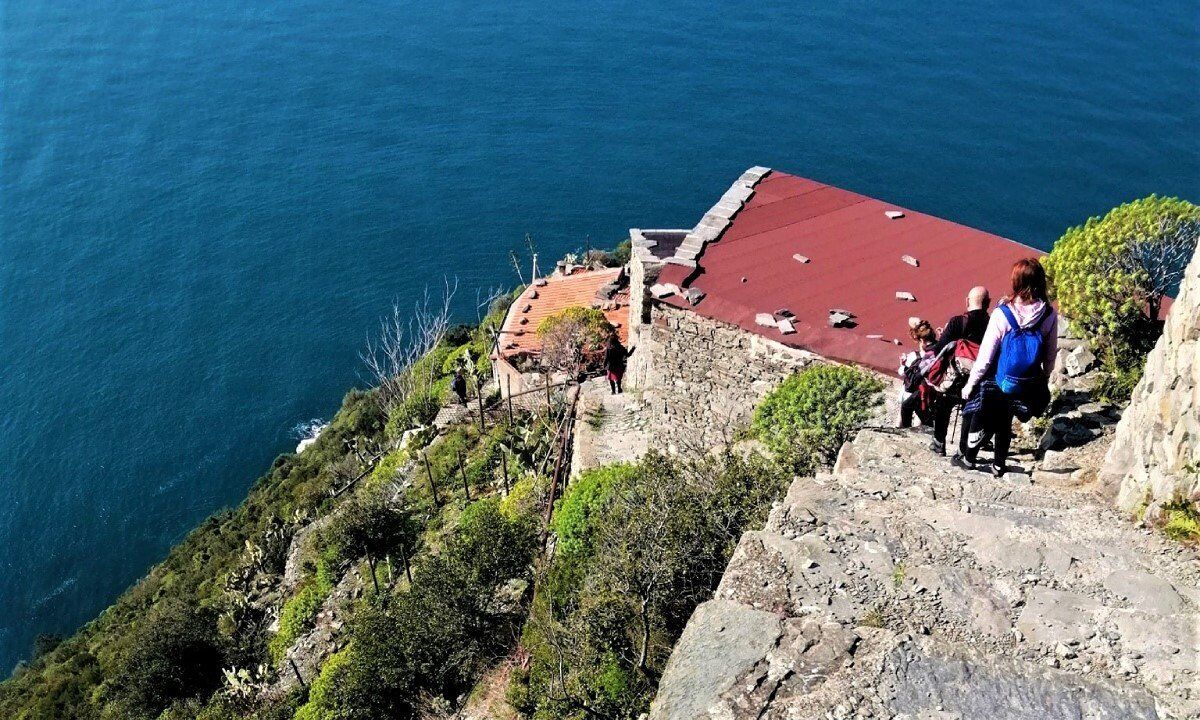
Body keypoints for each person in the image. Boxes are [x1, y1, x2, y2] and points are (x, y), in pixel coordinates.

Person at [954, 258, 1058, 477]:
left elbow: (985, 356)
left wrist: (971, 384)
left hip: (997, 377)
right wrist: (1045, 377)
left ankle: (969, 458)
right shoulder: (1049, 315)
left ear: (1016, 282)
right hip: (1027, 380)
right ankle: (999, 464)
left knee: (981, 413)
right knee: (1005, 419)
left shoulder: (1003, 313)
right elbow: (1050, 353)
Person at [927, 286, 991, 455]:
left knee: (943, 404)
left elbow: (939, 349)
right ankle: (964, 450)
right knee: (970, 410)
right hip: (979, 377)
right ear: (988, 303)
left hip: (955, 375)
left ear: (967, 301)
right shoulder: (992, 324)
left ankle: (939, 443)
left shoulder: (958, 322)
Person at [898, 319, 937, 428]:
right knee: (920, 415)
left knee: (906, 407)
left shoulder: (923, 356)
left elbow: (914, 377)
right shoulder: (938, 348)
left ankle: (906, 431)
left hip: (922, 390)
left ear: (922, 340)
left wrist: (903, 366)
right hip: (934, 390)